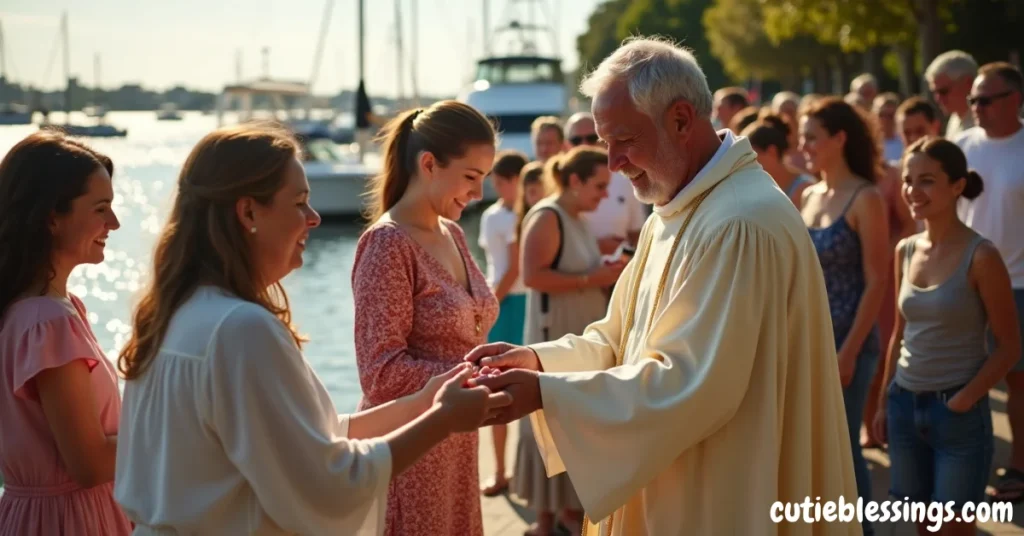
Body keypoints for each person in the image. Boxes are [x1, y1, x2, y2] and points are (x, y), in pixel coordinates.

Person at [465, 36, 859, 535]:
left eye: (624, 140)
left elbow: (694, 384)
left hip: (723, 493)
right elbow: (619, 338)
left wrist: (548, 393)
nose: (612, 163)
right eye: (604, 143)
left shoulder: (739, 222)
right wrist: (540, 361)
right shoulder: (675, 208)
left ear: (680, 119)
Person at [113, 121, 507, 535]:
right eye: (299, 202)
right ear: (248, 211)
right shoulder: (241, 329)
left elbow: (315, 435)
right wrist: (442, 420)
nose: (314, 218)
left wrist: (423, 402)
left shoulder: (173, 314)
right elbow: (329, 485)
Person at [351, 101, 502, 536]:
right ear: (429, 164)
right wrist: (473, 378)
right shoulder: (387, 245)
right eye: (471, 177)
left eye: (484, 180)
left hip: (456, 441)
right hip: (410, 449)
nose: (478, 193)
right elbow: (379, 373)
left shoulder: (451, 232)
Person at [874, 137, 1020, 535]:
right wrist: (888, 401)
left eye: (926, 180)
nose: (912, 191)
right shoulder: (905, 250)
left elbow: (1009, 347)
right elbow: (900, 334)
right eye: (907, 180)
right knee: (922, 529)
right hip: (904, 406)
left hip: (957, 415)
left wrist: (963, 400)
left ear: (957, 186)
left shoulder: (982, 256)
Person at [0, 132, 132, 535]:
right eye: (100, 209)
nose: (114, 223)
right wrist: (172, 429)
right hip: (71, 521)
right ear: (52, 217)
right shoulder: (47, 321)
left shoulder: (28, 311)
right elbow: (88, 463)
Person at [515, 146, 625, 536]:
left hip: (575, 331)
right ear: (574, 181)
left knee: (571, 420)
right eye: (598, 186)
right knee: (548, 420)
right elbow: (532, 276)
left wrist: (605, 267)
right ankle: (548, 519)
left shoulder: (577, 216)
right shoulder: (547, 217)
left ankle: (564, 514)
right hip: (553, 331)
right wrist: (593, 279)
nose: (603, 195)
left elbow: (579, 268)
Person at [797, 97, 891, 535]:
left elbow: (877, 281)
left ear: (839, 138)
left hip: (849, 345)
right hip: (808, 344)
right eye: (802, 136)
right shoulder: (807, 195)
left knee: (847, 453)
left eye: (812, 136)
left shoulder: (865, 197)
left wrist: (850, 352)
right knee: (810, 451)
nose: (804, 145)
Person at [952, 61, 1024, 502]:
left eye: (985, 99)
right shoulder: (959, 147)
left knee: (1018, 381)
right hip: (963, 280)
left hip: (1019, 283)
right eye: (972, 99)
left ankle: (1018, 465)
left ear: (1015, 99)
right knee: (964, 377)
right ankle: (966, 465)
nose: (975, 107)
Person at [478, 149, 529, 497]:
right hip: (509, 300)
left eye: (500, 181)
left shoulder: (514, 217)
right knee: (500, 389)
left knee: (503, 388)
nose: (497, 188)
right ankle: (502, 471)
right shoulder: (496, 216)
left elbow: (511, 269)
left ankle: (505, 474)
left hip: (509, 303)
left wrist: (487, 310)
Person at [564, 112, 647, 253]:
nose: (584, 145)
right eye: (576, 140)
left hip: (619, 272)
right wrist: (598, 247)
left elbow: (637, 234)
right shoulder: (557, 182)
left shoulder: (626, 179)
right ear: (566, 145)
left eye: (591, 138)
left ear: (603, 140)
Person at [741, 117, 814, 205]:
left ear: (772, 151)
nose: (748, 166)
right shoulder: (759, 191)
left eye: (752, 158)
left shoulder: (806, 189)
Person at [925, 50, 978, 138]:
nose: (938, 98)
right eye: (935, 92)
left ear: (968, 83)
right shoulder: (955, 119)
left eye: (943, 91)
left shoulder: (986, 122)